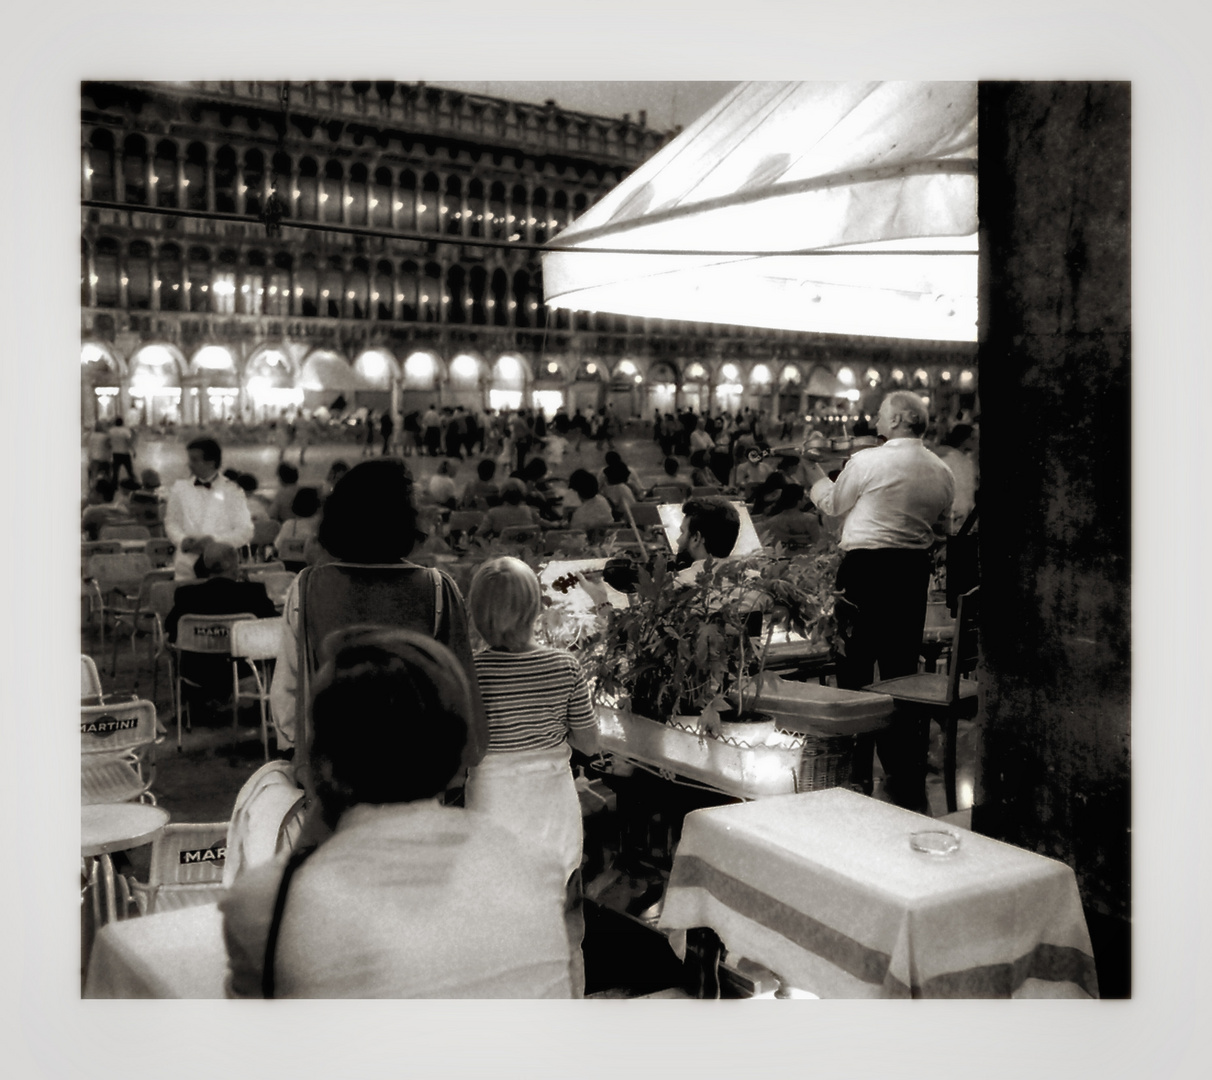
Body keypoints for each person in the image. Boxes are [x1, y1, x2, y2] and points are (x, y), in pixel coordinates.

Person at [222, 629, 572, 998]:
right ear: (456, 756)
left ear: (322, 760)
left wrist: (313, 831)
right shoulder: (537, 868)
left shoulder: (266, 905)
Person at [268, 459, 485, 759]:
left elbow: (287, 689)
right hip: (419, 764)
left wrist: (296, 752)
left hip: (334, 766)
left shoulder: (307, 587)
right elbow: (461, 694)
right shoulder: (437, 588)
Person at [802, 390, 955, 808]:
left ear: (901, 419)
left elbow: (833, 505)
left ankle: (852, 767)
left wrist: (811, 471)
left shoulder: (868, 461)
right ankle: (899, 769)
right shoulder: (942, 471)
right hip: (911, 575)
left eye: (882, 414)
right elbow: (941, 527)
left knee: (853, 666)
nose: (875, 419)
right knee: (899, 669)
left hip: (865, 571)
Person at [464, 558, 599, 997]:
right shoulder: (564, 667)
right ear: (536, 609)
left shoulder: (470, 673)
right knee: (564, 922)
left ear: (477, 613)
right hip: (551, 809)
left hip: (490, 805)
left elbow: (465, 748)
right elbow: (590, 743)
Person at [164, 541, 279, 711]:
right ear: (234, 564)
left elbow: (171, 632)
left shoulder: (186, 595)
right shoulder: (253, 593)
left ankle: (186, 706)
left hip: (196, 675)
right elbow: (274, 627)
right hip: (245, 672)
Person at [163, 437, 255, 580]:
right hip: (186, 564)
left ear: (211, 462)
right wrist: (181, 540)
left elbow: (245, 530)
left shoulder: (232, 491)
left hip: (222, 567)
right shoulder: (179, 489)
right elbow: (171, 522)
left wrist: (215, 542)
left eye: (194, 460)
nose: (189, 464)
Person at [674, 495, 741, 583]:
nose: (678, 540)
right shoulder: (756, 581)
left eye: (682, 532)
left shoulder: (679, 584)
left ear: (696, 538)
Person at [274, 487, 322, 571]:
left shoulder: (288, 524)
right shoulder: (319, 525)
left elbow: (278, 546)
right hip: (314, 569)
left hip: (289, 568)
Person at [107, 417, 137, 483]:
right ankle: (135, 484)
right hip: (125, 453)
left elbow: (108, 442)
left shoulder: (111, 431)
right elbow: (129, 442)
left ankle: (113, 487)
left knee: (115, 472)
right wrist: (133, 451)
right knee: (130, 471)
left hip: (115, 454)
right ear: (122, 423)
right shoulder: (125, 431)